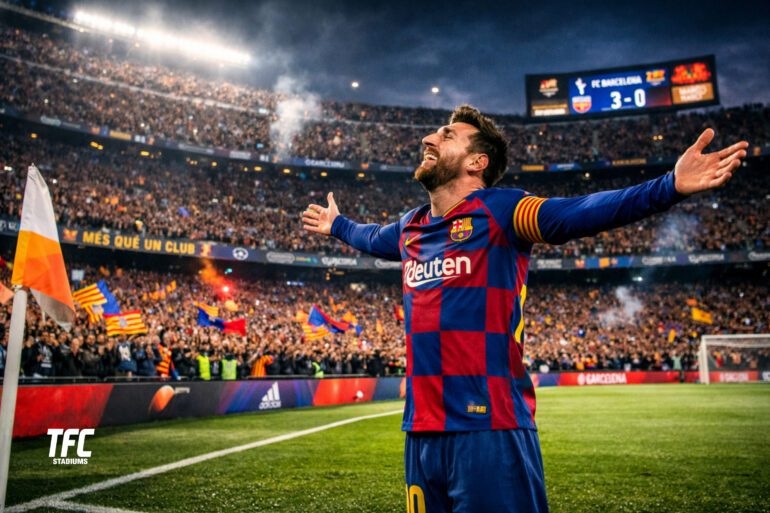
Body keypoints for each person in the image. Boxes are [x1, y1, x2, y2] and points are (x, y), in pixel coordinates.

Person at [301, 104, 748, 513]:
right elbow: (369, 237)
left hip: (490, 427)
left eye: (446, 134)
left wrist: (667, 186)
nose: (430, 139)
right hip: (420, 430)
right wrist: (336, 225)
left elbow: (581, 211)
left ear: (478, 161)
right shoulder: (410, 228)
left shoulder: (501, 210)